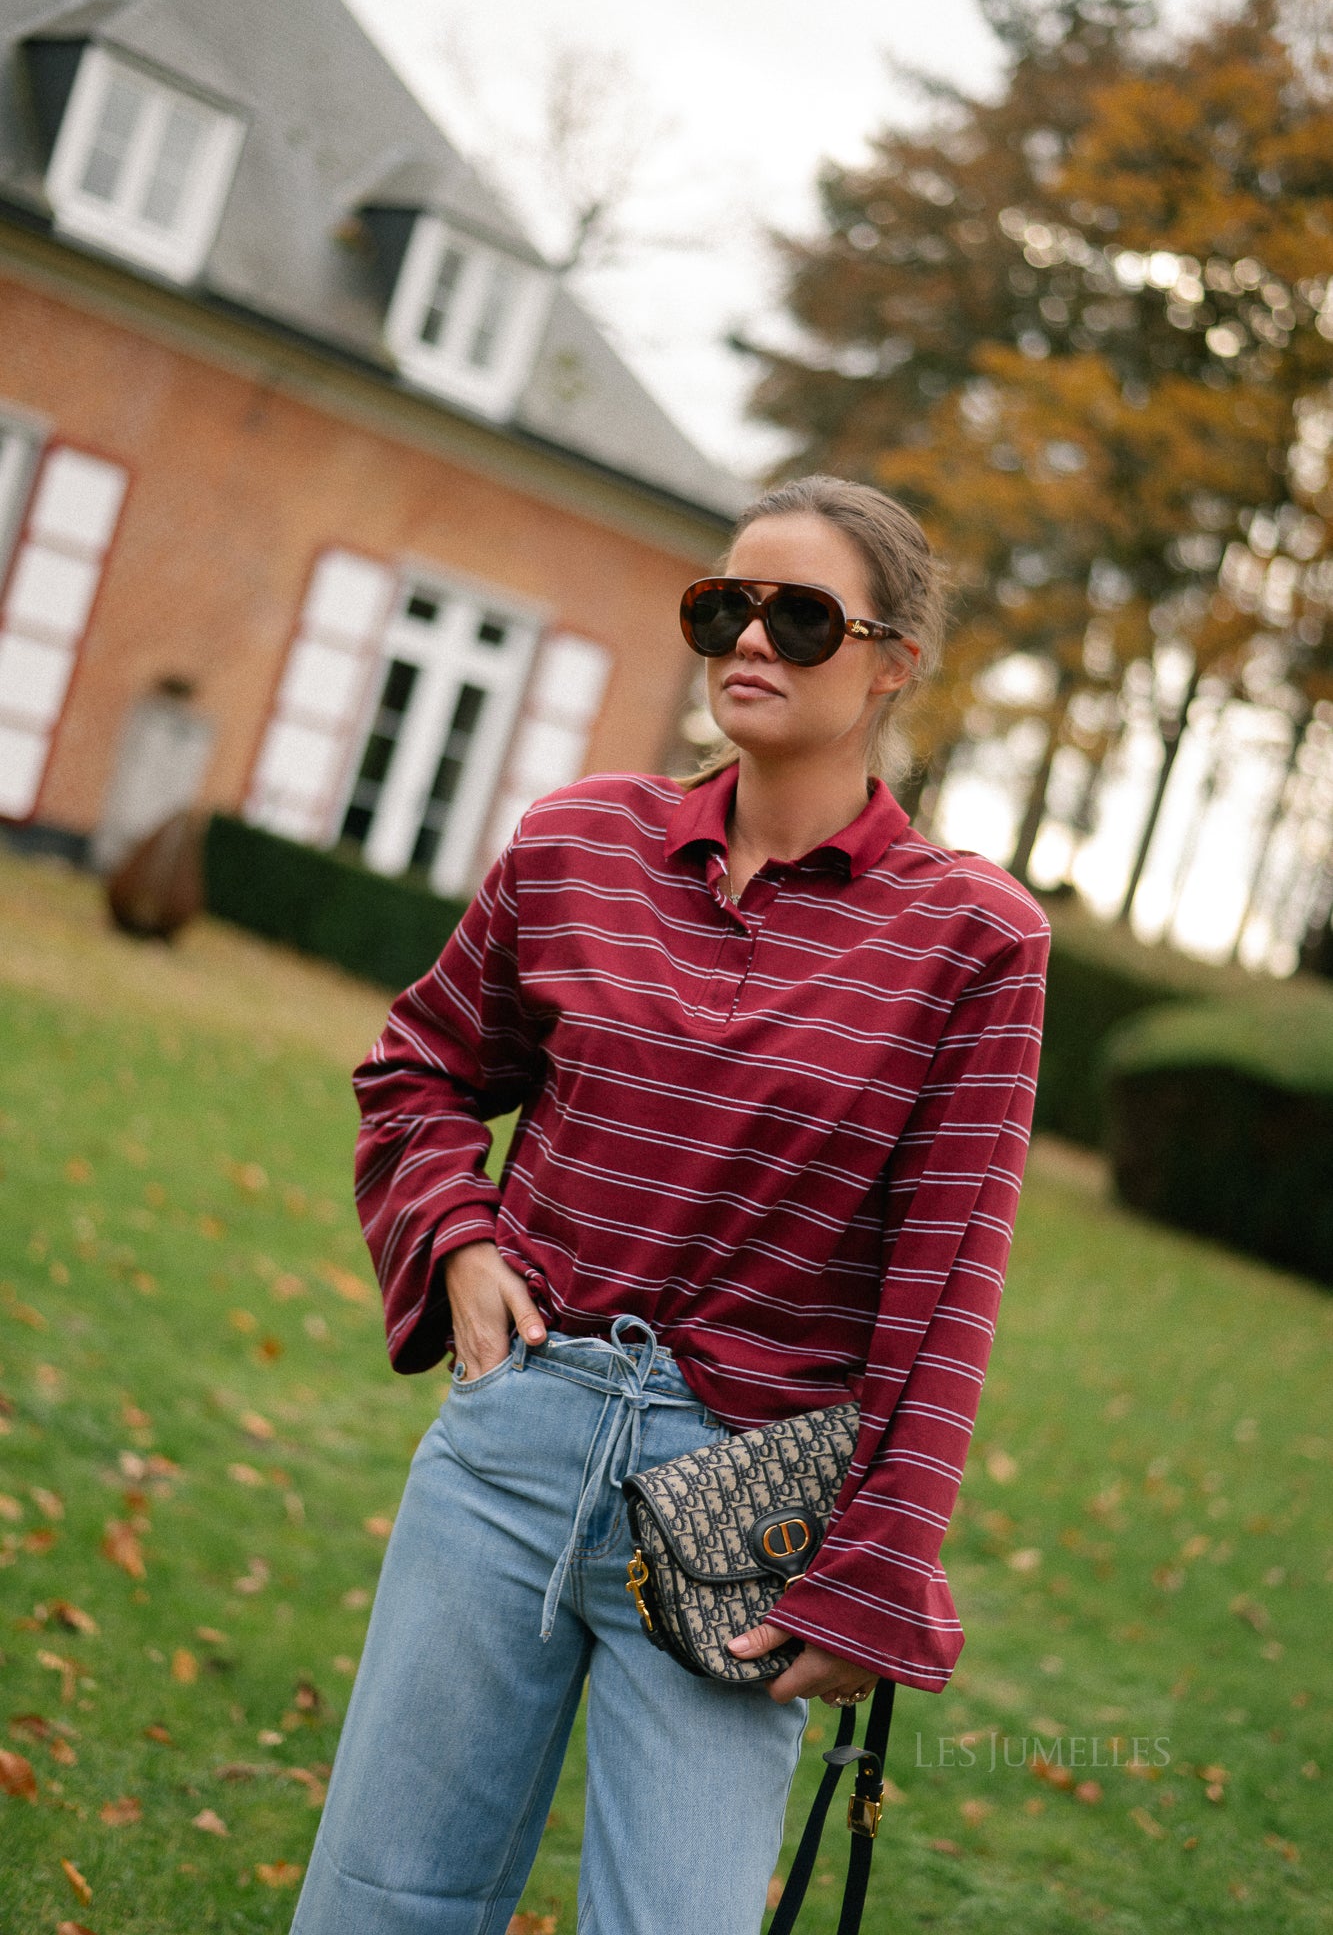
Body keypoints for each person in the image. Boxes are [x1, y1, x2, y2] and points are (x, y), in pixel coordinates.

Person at [290, 475, 1049, 1935]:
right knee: (384, 1904)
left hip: (742, 1505)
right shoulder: (579, 841)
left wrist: (875, 1566)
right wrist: (457, 1242)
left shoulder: (974, 938)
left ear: (893, 662)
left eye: (801, 615)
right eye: (723, 605)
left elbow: (945, 1285)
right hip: (511, 1439)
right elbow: (420, 1068)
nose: (748, 637)